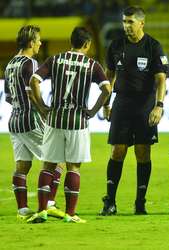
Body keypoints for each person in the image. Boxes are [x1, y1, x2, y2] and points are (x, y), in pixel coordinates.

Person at [26, 27, 111, 223]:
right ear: (87, 44)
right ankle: (70, 214)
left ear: (70, 41)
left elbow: (34, 81)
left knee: (48, 166)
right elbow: (107, 89)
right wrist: (93, 111)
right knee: (73, 167)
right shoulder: (91, 65)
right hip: (77, 121)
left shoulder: (55, 60)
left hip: (55, 118)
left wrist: (42, 107)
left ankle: (41, 210)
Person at [100, 6, 168, 215]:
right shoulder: (115, 46)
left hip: (145, 104)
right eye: (124, 22)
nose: (126, 26)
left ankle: (140, 202)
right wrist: (106, 103)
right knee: (117, 150)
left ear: (141, 23)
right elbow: (108, 76)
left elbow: (161, 79)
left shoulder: (153, 46)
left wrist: (159, 106)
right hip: (122, 103)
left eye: (130, 22)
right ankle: (110, 201)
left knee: (142, 152)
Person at [4, 25, 64, 221]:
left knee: (22, 165)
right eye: (38, 40)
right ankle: (49, 204)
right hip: (30, 119)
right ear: (31, 42)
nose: (40, 43)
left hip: (14, 121)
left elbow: (7, 97)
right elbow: (32, 93)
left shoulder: (10, 63)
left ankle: (22, 209)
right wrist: (45, 111)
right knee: (58, 159)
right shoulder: (30, 63)